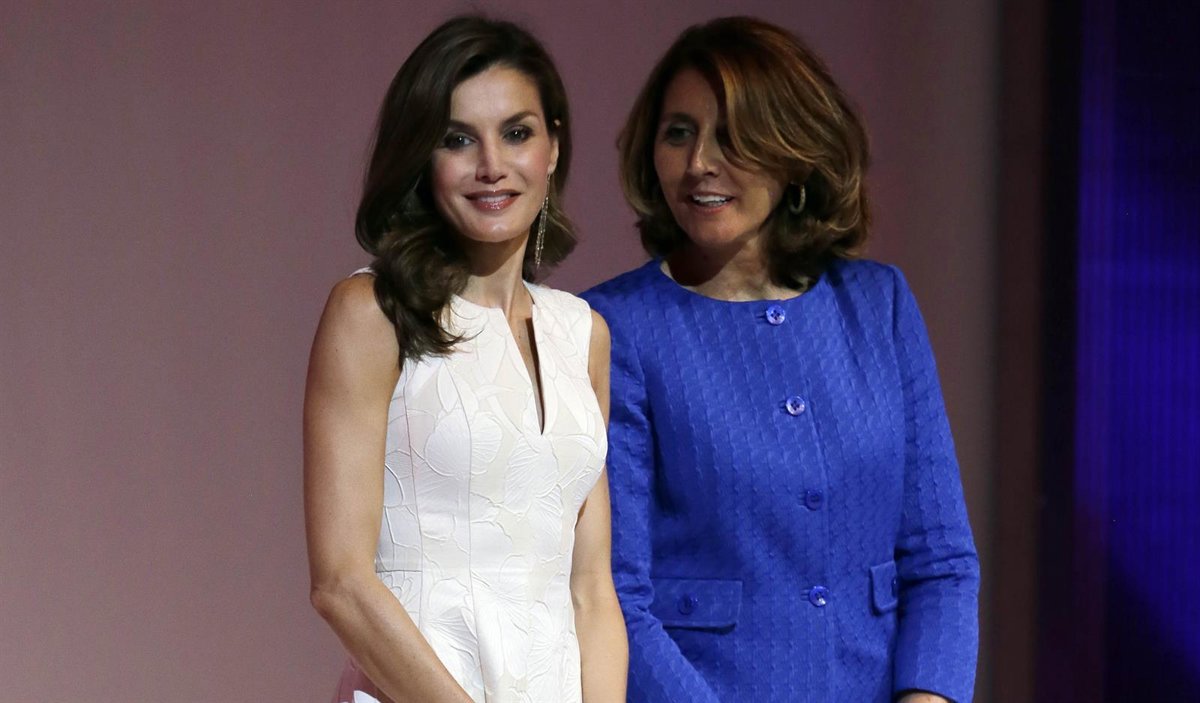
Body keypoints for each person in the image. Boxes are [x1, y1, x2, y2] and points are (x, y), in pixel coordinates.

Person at [582, 16, 980, 703]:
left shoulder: (879, 305)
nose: (699, 161)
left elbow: (940, 563)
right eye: (679, 133)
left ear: (794, 150)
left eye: (733, 136)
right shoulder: (616, 327)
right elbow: (617, 595)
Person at [303, 16, 628, 703]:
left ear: (553, 147)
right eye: (457, 139)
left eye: (516, 133)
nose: (491, 165)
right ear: (422, 158)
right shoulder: (372, 312)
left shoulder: (582, 333)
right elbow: (341, 582)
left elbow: (591, 588)